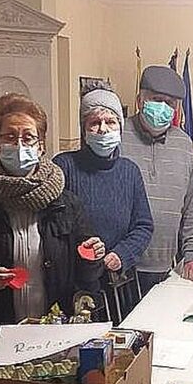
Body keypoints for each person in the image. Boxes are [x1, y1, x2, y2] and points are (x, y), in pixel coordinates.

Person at [0, 93, 105, 352]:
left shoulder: (66, 204)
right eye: (9, 137)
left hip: (55, 332)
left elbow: (87, 275)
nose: (19, 145)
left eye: (28, 137)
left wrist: (93, 256)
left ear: (41, 146)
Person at [119, 65, 193, 297]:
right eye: (156, 100)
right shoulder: (117, 136)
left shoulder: (184, 144)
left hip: (166, 267)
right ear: (140, 101)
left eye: (170, 103)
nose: (163, 107)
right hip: (120, 267)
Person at [54, 87, 154, 283]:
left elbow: (143, 225)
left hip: (117, 279)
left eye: (110, 122)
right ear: (84, 130)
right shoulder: (63, 166)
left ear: (120, 128)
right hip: (72, 277)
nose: (103, 129)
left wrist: (121, 254)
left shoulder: (130, 171)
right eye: (94, 123)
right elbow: (52, 227)